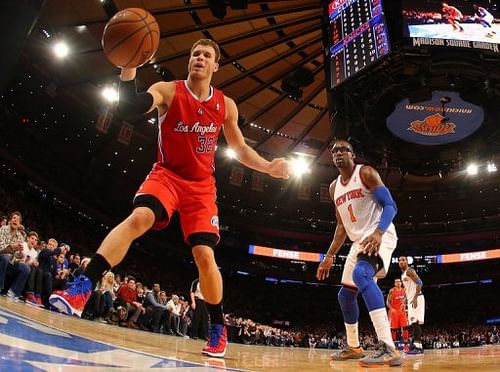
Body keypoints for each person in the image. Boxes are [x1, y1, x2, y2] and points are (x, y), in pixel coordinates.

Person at [49, 38, 290, 358]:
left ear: (215, 66)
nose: (199, 58)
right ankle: (82, 287)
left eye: (206, 55)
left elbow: (240, 148)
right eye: (195, 54)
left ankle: (218, 327)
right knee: (139, 218)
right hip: (167, 175)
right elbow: (129, 108)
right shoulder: (168, 90)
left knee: (205, 255)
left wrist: (269, 167)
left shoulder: (225, 105)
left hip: (201, 187)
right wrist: (129, 69)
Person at [316, 140, 402, 367]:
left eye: (343, 149)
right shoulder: (334, 188)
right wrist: (329, 256)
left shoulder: (366, 173)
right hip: (358, 242)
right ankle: (354, 346)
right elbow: (341, 227)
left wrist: (378, 233)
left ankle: (389, 347)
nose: (338, 153)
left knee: (362, 274)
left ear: (353, 154)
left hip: (379, 233)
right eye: (334, 151)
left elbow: (391, 206)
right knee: (345, 295)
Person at [399, 256, 425, 354]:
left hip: (417, 297)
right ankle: (417, 345)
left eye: (403, 260)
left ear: (407, 262)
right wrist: (404, 301)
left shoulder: (410, 271)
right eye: (400, 260)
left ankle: (418, 346)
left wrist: (415, 297)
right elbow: (407, 289)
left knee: (415, 322)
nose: (401, 262)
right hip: (410, 299)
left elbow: (420, 283)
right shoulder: (403, 274)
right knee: (413, 323)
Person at [386, 278, 410, 353]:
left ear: (401, 283)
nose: (398, 283)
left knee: (405, 328)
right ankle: (392, 346)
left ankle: (406, 345)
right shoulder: (392, 291)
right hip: (394, 312)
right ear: (394, 284)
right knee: (394, 329)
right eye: (396, 282)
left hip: (402, 312)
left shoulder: (404, 290)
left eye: (399, 281)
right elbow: (387, 302)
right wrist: (391, 309)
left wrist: (404, 303)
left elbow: (406, 298)